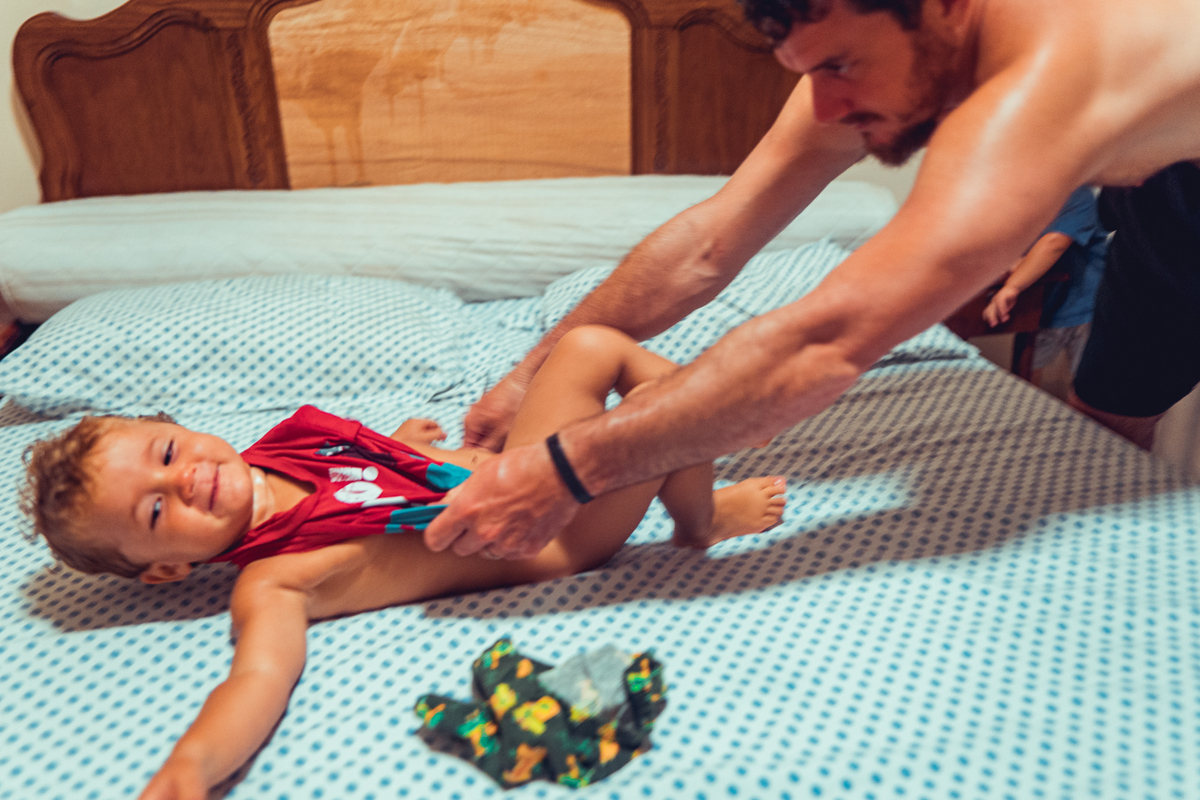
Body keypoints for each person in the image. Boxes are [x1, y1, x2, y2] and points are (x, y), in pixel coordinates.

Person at [427, 0, 1200, 561]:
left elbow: (821, 347)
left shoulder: (1046, 75)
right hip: (1159, 194)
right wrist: (529, 376)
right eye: (807, 70)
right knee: (1108, 422)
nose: (828, 106)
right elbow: (710, 240)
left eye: (839, 66)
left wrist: (562, 470)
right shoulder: (873, 34)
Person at [20, 325, 786, 800]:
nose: (182, 479)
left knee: (592, 344)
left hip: (513, 471)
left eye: (166, 453)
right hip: (552, 537)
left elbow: (377, 475)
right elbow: (257, 679)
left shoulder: (282, 446)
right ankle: (699, 521)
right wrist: (191, 769)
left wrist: (411, 444)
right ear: (164, 569)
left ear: (181, 429)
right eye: (156, 511)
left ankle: (694, 503)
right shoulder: (275, 578)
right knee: (667, 398)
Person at [981, 185, 1108, 387]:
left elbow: (1054, 243)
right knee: (1028, 377)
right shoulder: (1018, 198)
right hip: (1043, 306)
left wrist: (1011, 286)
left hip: (1087, 307)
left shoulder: (1076, 193)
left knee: (1092, 383)